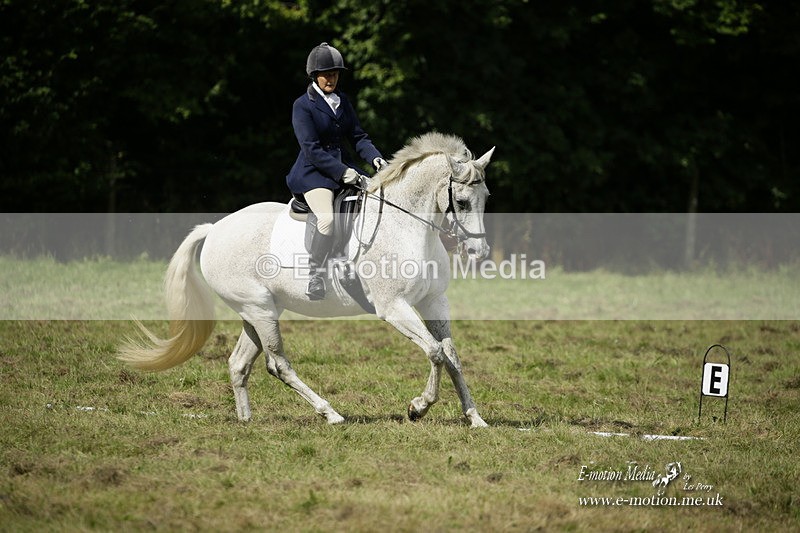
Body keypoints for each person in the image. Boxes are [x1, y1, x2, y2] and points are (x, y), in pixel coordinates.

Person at [286, 42, 387, 300]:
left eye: (335, 73)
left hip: (345, 168)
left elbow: (359, 137)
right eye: (326, 73)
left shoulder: (343, 101)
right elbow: (311, 149)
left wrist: (375, 159)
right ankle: (315, 275)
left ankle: (350, 264)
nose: (331, 78)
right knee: (328, 219)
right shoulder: (302, 105)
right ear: (314, 76)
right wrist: (342, 172)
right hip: (314, 174)